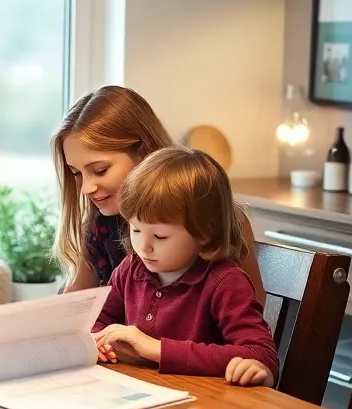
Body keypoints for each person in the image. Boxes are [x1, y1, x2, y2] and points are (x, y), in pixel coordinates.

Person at [51, 85, 266, 303]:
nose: (86, 188)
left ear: (143, 153)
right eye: (76, 173)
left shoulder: (220, 220)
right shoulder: (100, 225)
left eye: (100, 170)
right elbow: (75, 301)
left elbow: (250, 312)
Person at [92, 147, 279, 386]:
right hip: (141, 393)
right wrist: (99, 342)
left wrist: (157, 349)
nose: (143, 247)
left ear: (204, 232)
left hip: (203, 406)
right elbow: (96, 321)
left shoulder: (225, 281)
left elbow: (262, 354)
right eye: (136, 229)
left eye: (160, 236)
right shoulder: (131, 268)